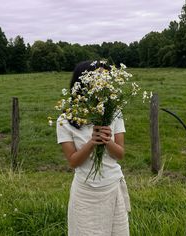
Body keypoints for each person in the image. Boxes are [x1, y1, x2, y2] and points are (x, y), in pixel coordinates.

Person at [56, 61, 131, 236]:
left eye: (106, 78)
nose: (105, 83)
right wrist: (92, 142)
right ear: (84, 82)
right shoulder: (65, 119)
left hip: (113, 186)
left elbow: (120, 154)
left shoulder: (114, 112)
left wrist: (107, 140)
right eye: (99, 78)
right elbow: (73, 161)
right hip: (86, 193)